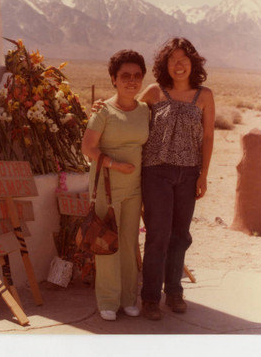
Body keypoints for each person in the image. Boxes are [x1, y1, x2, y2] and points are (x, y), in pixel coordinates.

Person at [138, 37, 215, 320]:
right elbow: (126, 111)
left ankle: (174, 292)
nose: (179, 64)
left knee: (180, 236)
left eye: (184, 59)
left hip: (189, 173)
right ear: (165, 64)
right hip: (156, 172)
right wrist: (103, 106)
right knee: (158, 236)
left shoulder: (204, 95)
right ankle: (149, 297)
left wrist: (203, 175)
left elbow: (208, 136)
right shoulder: (154, 92)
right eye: (173, 59)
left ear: (193, 62)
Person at [81, 49, 150, 321]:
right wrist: (115, 165)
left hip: (134, 189)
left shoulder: (145, 110)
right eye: (125, 76)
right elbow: (87, 148)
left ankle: (130, 298)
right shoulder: (104, 111)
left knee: (130, 242)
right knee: (107, 242)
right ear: (113, 78)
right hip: (106, 189)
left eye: (136, 76)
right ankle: (108, 301)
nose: (131, 81)